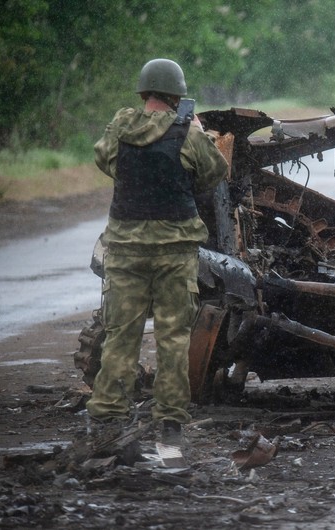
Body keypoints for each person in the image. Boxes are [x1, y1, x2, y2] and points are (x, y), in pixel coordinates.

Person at [86, 58, 230, 444]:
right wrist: (199, 133)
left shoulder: (120, 126)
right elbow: (215, 173)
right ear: (177, 95)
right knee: (173, 336)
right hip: (174, 251)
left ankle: (106, 416)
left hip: (126, 248)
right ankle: (169, 420)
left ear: (145, 92)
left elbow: (105, 159)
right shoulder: (189, 132)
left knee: (121, 334)